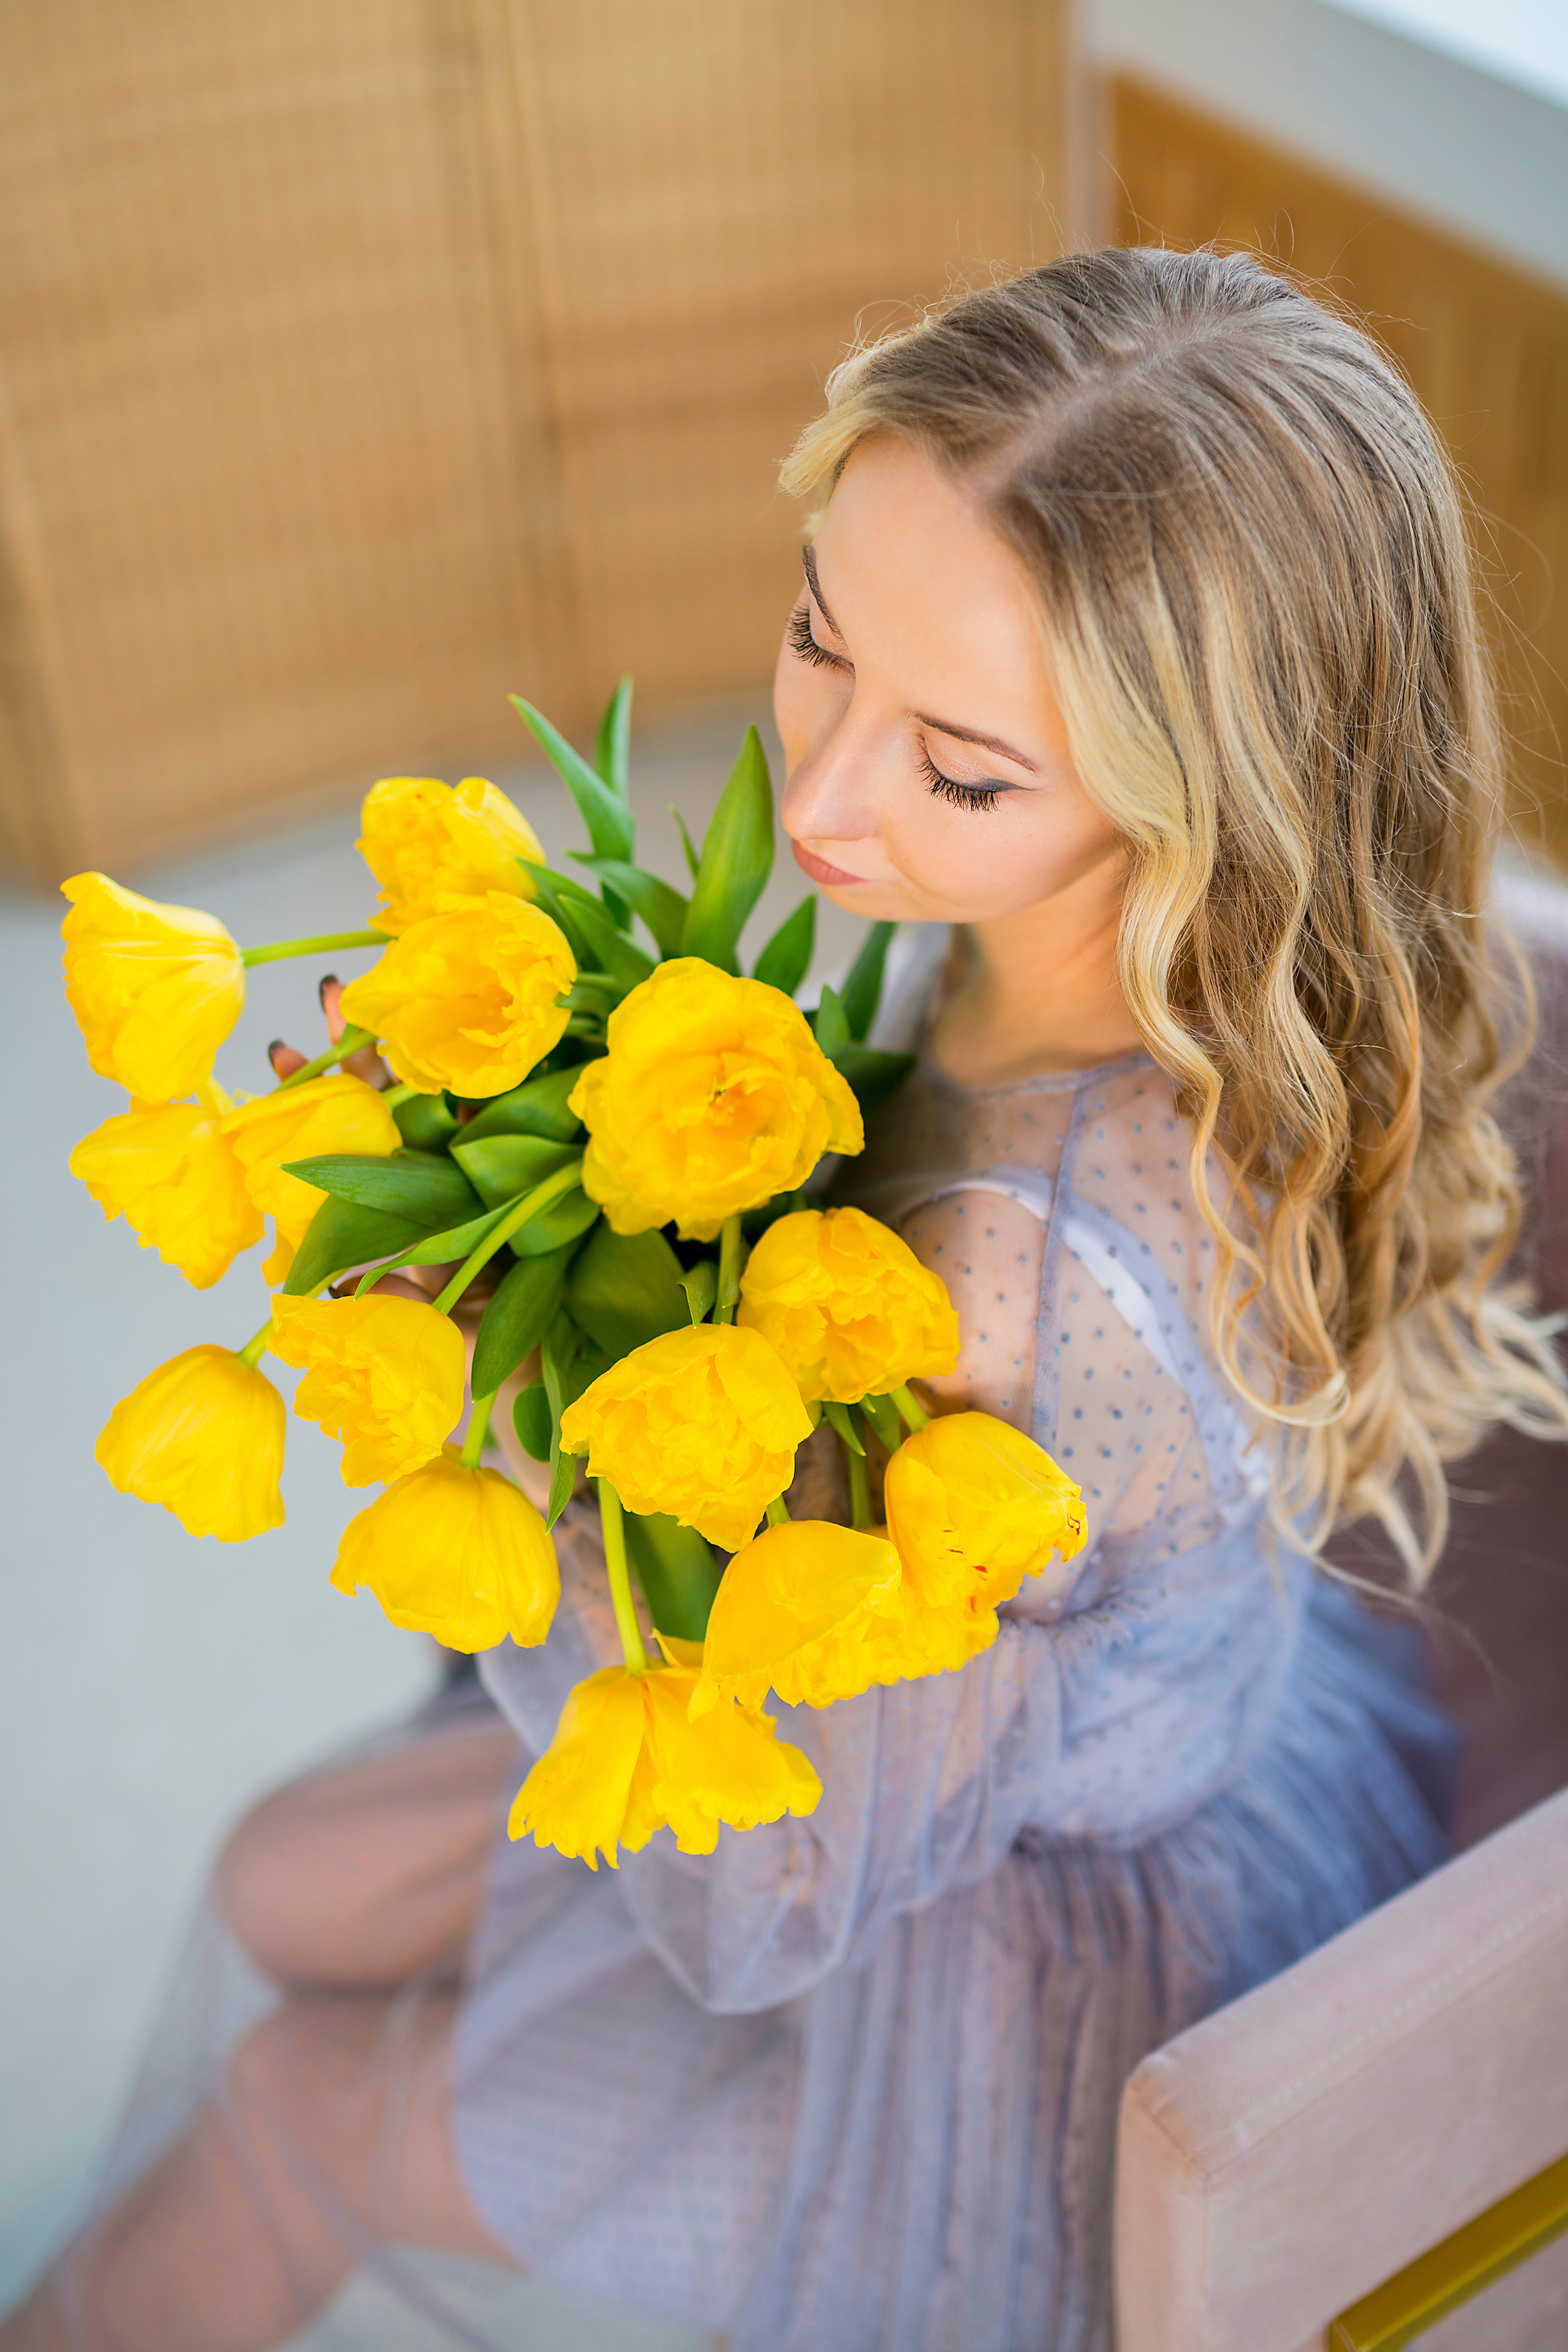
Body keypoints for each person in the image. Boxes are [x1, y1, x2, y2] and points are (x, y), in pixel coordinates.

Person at [8, 246, 1567, 2352]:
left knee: (294, 2087)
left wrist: (517, 1395)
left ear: (1215, 797)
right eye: (821, 642)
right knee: (275, 1881)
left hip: (979, 1963)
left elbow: (774, 1885)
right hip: (1044, 1718)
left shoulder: (1000, 1284)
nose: (822, 800)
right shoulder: (1171, 979)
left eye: (961, 770)